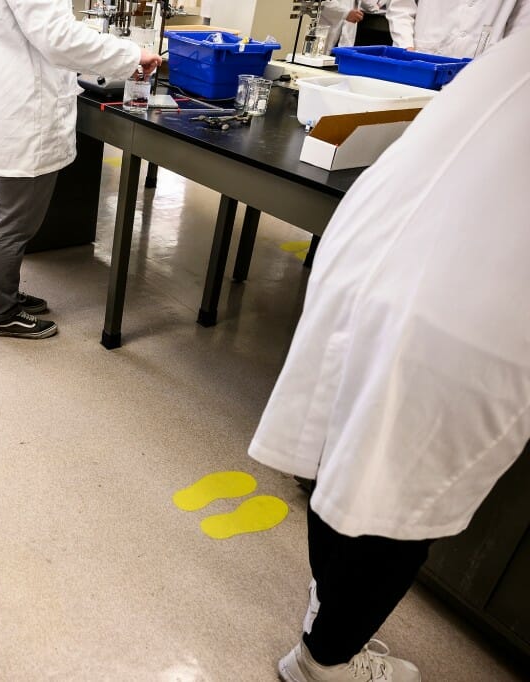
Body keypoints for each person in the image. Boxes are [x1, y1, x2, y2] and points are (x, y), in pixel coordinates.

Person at [248, 28, 530, 682]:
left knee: (348, 460)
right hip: (463, 299)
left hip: (376, 245)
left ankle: (326, 618)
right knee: (394, 495)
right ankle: (325, 661)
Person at [0, 0, 161, 339]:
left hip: (4, 104)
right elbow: (59, 38)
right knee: (11, 222)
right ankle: (2, 311)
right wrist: (131, 55)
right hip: (24, 110)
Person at [384, 0, 530, 57]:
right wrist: (406, 47)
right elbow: (400, 5)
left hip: (482, 67)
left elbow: (521, 25)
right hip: (422, 58)